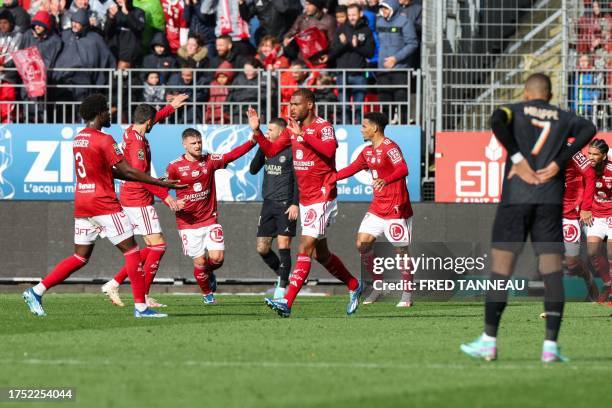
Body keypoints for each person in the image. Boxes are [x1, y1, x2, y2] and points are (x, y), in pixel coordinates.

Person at [460, 73, 597, 363]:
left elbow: (497, 118)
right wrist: (561, 161)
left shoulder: (515, 110)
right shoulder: (562, 116)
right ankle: (550, 347)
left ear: (525, 94)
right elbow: (589, 127)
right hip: (549, 201)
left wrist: (518, 159)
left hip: (517, 198)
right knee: (552, 271)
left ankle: (489, 341)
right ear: (549, 95)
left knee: (500, 270)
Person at [22, 94, 184, 318]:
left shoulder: (79, 139)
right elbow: (126, 169)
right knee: (133, 251)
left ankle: (36, 291)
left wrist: (168, 108)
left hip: (83, 204)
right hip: (104, 203)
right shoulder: (104, 139)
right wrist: (159, 182)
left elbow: (113, 171)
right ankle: (141, 307)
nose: (110, 113)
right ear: (99, 114)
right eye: (107, 110)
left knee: (80, 256)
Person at [247, 89, 363, 318]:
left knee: (304, 248)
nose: (292, 108)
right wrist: (257, 131)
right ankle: (354, 285)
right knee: (321, 254)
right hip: (308, 197)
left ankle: (286, 302)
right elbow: (270, 150)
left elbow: (329, 150)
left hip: (323, 194)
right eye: (290, 104)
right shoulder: (292, 129)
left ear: (309, 105)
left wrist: (302, 136)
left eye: (296, 104)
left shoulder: (323, 126)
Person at [101, 96, 189, 308]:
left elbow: (150, 119)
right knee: (158, 246)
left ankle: (114, 283)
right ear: (148, 122)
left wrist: (170, 108)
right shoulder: (138, 145)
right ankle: (144, 295)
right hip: (139, 198)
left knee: (150, 247)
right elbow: (142, 176)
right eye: (152, 122)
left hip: (129, 196)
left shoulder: (130, 131)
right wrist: (166, 197)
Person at [166, 128, 257, 304]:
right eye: (193, 143)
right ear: (184, 145)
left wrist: (252, 142)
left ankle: (207, 273)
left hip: (209, 219)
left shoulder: (209, 160)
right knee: (199, 261)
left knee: (217, 258)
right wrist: (171, 200)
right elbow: (161, 187)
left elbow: (231, 155)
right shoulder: (175, 166)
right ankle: (207, 294)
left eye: (199, 142)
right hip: (187, 223)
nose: (198, 146)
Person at [335, 112, 414, 307]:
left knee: (401, 251)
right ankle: (379, 284)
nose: (361, 129)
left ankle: (407, 295)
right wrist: (330, 178)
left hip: (397, 206)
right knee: (362, 243)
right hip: (378, 206)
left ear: (375, 128)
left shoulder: (390, 147)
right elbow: (352, 168)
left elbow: (403, 169)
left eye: (364, 126)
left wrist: (385, 180)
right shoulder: (367, 152)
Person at [249, 118, 299, 299]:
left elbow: (298, 180)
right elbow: (253, 170)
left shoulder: (292, 150)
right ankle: (283, 275)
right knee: (262, 248)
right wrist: (261, 147)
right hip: (268, 203)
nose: (267, 133)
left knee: (283, 244)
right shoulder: (266, 148)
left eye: (270, 130)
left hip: (286, 204)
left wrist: (295, 203)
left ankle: (282, 287)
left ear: (281, 132)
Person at [560, 147, 599, 301]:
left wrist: (586, 207)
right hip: (559, 211)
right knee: (568, 262)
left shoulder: (570, 149)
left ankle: (596, 288)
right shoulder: (538, 150)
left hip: (579, 210)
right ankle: (590, 285)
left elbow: (590, 173)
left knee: (578, 260)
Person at [53, 9, 116, 101]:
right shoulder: (66, 35)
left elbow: (106, 58)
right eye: (73, 21)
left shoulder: (94, 39)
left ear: (84, 24)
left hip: (85, 83)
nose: (74, 24)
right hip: (63, 81)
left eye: (78, 22)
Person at [327, 3, 375, 123]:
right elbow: (332, 52)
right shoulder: (341, 29)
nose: (352, 17)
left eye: (354, 14)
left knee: (359, 107)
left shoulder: (366, 30)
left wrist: (356, 47)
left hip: (359, 74)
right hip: (342, 74)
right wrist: (344, 45)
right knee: (344, 107)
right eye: (349, 15)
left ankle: (359, 129)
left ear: (360, 14)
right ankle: (346, 127)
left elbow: (370, 53)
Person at [376, 0, 418, 124]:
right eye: (382, 8)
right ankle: (384, 134)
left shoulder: (405, 22)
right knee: (385, 105)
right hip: (383, 70)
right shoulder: (379, 22)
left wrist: (396, 58)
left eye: (386, 8)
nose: (383, 11)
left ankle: (404, 129)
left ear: (393, 8)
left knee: (401, 104)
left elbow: (412, 43)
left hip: (400, 69)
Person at [585, 139, 612, 305]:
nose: (591, 157)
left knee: (610, 252)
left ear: (604, 155)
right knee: (592, 251)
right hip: (596, 214)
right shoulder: (587, 169)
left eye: (595, 154)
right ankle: (608, 283)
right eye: (589, 153)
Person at [105, 0, 145, 69]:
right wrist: (111, 18)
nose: (118, 0)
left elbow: (139, 28)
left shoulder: (138, 12)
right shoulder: (113, 10)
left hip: (129, 54)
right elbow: (107, 32)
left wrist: (127, 14)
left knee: (125, 76)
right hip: (115, 52)